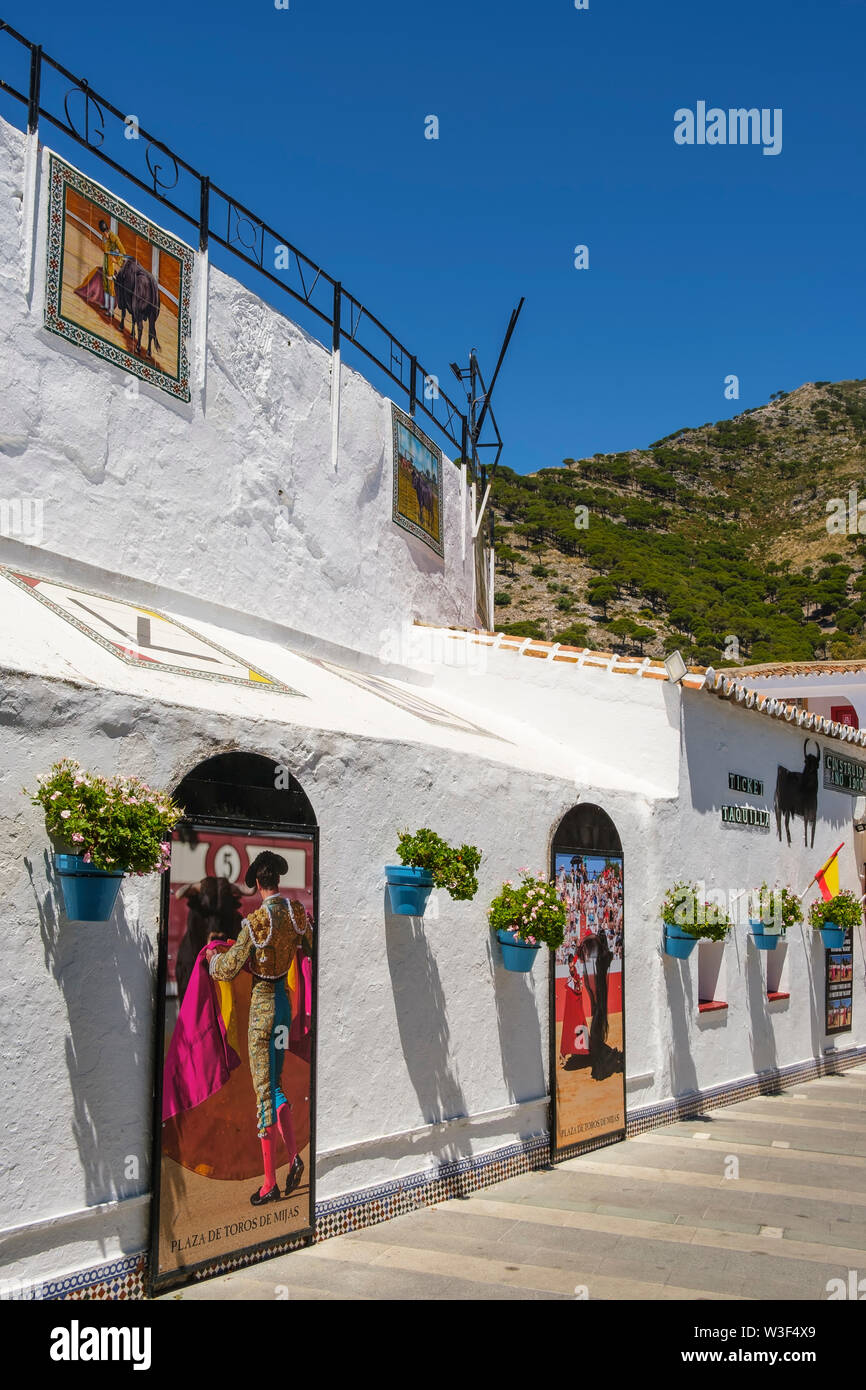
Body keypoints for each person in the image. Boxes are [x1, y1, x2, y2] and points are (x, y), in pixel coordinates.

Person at [207, 851, 313, 1207]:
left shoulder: (256, 922)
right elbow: (310, 947)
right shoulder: (297, 913)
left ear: (256, 883)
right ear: (278, 881)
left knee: (263, 1094)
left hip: (262, 1012)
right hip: (284, 1007)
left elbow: (227, 968)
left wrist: (211, 958)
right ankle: (295, 1156)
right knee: (277, 1084)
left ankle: (269, 1183)